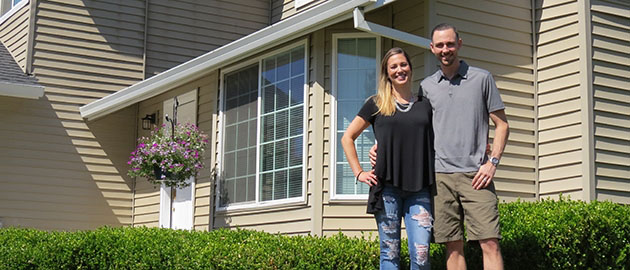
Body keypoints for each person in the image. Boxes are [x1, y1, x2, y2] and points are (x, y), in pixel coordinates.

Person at [370, 23, 510, 270]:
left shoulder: (482, 79)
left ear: (459, 44)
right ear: (432, 48)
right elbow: (412, 126)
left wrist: (493, 162)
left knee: (490, 243)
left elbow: (502, 125)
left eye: (450, 44)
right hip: (439, 177)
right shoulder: (427, 87)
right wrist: (380, 146)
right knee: (452, 247)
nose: (446, 50)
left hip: (476, 174)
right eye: (440, 45)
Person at [342, 47, 435, 270]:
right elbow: (347, 137)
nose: (399, 70)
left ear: (410, 68)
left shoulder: (425, 105)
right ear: (387, 72)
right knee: (389, 254)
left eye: (403, 64)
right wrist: (359, 172)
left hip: (420, 188)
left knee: (421, 255)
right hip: (387, 190)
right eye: (393, 66)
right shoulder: (376, 104)